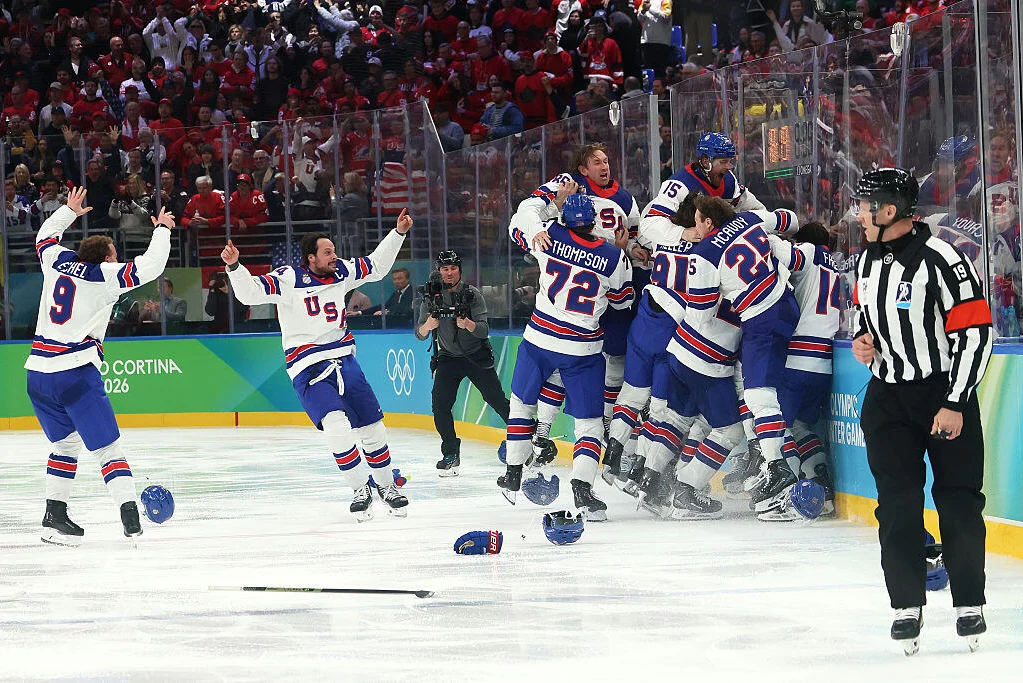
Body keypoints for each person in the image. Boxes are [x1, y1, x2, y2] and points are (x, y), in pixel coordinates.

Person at [850, 168, 992, 654]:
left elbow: (975, 333)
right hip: (887, 398)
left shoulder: (944, 260)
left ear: (889, 211)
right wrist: (862, 341)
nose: (858, 213)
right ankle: (905, 605)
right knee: (897, 505)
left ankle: (969, 603)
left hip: (942, 395)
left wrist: (955, 401)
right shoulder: (866, 261)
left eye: (865, 204)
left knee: (957, 500)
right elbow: (865, 317)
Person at [219, 210, 416, 522]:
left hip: (345, 360)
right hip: (308, 367)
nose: (334, 256)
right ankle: (359, 489)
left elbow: (377, 267)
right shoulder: (289, 278)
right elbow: (248, 294)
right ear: (311, 258)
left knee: (372, 427)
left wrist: (398, 233)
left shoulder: (342, 272)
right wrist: (234, 266)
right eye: (328, 252)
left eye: (334, 251)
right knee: (337, 425)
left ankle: (386, 486)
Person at [26, 185, 175, 545]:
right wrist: (162, 228)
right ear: (107, 258)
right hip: (74, 371)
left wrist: (68, 212)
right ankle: (130, 519)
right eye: (114, 254)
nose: (117, 258)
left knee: (65, 447)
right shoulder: (105, 277)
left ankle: (55, 515)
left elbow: (44, 237)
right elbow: (151, 266)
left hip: (37, 374)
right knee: (109, 450)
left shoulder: (57, 261)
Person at [499, 193, 634, 520]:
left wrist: (536, 226)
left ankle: (513, 473)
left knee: (521, 406)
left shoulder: (548, 236)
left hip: (539, 341)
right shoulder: (614, 256)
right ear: (593, 222)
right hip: (581, 349)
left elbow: (521, 217)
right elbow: (621, 302)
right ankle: (583, 490)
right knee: (589, 425)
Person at [683, 196, 801, 510]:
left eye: (697, 220)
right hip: (787, 304)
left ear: (708, 222)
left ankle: (777, 466)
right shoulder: (750, 219)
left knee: (758, 395)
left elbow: (700, 315)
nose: (694, 227)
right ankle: (765, 457)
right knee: (757, 388)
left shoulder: (705, 252)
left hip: (760, 319)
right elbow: (790, 219)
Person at [751, 222, 841, 521]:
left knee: (780, 425)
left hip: (798, 357)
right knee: (803, 426)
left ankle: (787, 492)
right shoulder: (836, 265)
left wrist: (761, 231)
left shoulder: (810, 252)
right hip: (824, 362)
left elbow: (784, 253)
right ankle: (819, 482)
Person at [414, 250, 511, 476]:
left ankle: (528, 435)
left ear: (459, 270)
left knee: (496, 399)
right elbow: (419, 334)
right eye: (445, 269)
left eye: (453, 269)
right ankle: (450, 453)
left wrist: (469, 325)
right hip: (448, 357)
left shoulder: (472, 294)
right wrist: (428, 325)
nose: (449, 273)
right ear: (439, 271)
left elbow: (484, 329)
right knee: (440, 406)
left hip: (475, 354)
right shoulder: (431, 296)